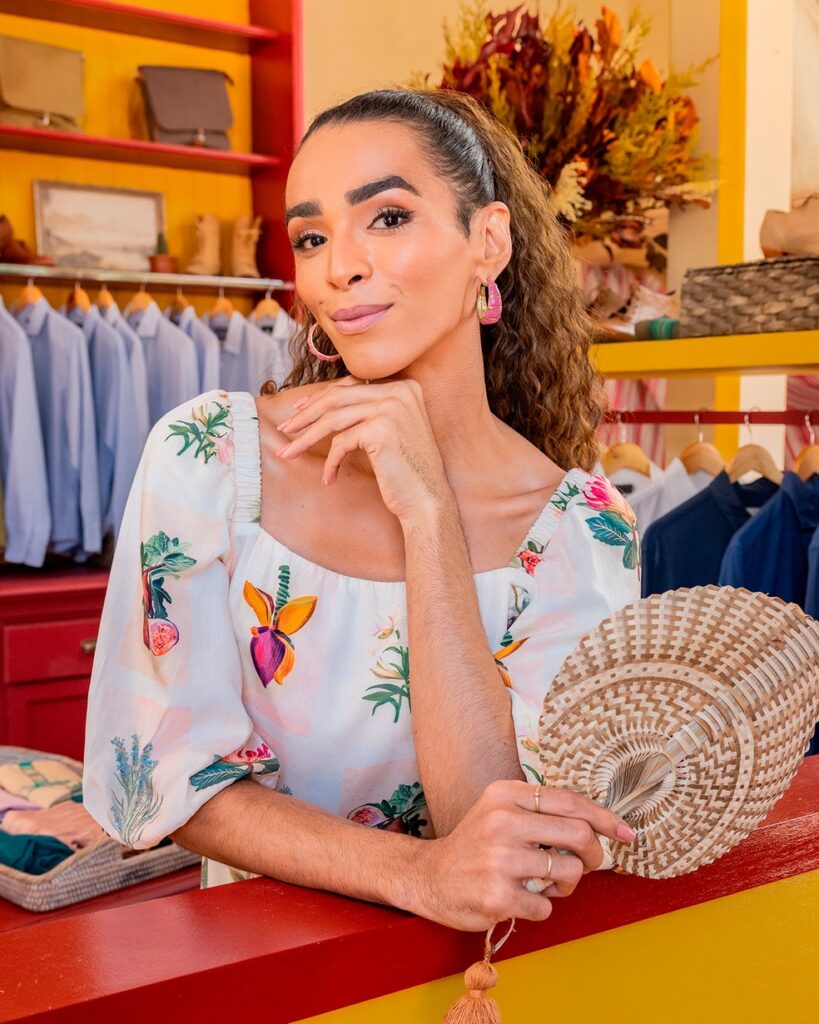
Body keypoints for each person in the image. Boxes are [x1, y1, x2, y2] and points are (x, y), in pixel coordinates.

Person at [83, 88, 640, 932]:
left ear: (487, 242)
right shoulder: (211, 458)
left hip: (486, 982)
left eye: (386, 217)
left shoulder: (580, 527)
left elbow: (503, 835)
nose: (337, 267)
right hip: (258, 969)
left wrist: (428, 513)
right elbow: (162, 775)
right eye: (312, 237)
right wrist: (416, 873)